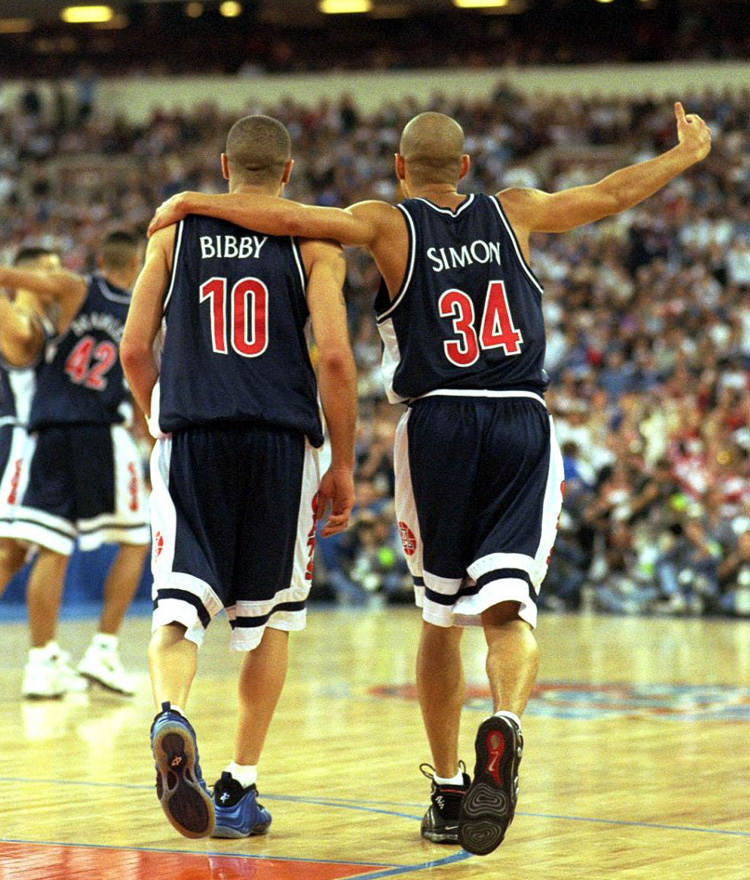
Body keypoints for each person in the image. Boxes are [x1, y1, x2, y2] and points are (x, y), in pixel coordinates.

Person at [148, 101, 712, 855]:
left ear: (401, 169)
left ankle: (449, 789)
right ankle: (505, 723)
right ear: (469, 168)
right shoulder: (517, 212)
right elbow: (611, 194)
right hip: (519, 416)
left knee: (440, 615)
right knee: (508, 607)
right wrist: (682, 156)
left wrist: (191, 202)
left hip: (437, 421)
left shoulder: (386, 221)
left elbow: (287, 219)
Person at [121, 114, 357, 840]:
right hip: (280, 445)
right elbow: (339, 362)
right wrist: (343, 463)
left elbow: (134, 347)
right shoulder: (314, 242)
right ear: (288, 175)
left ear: (226, 166)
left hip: (193, 434)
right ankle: (240, 785)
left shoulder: (172, 234)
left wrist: (154, 416)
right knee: (272, 619)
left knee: (177, 606)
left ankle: (170, 712)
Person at [0, 232, 151, 698]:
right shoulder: (37, 315)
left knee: (37, 548)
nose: (52, 274)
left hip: (45, 437)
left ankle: (45, 659)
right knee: (134, 536)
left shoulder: (61, 313)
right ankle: (98, 650)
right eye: (44, 269)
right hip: (38, 437)